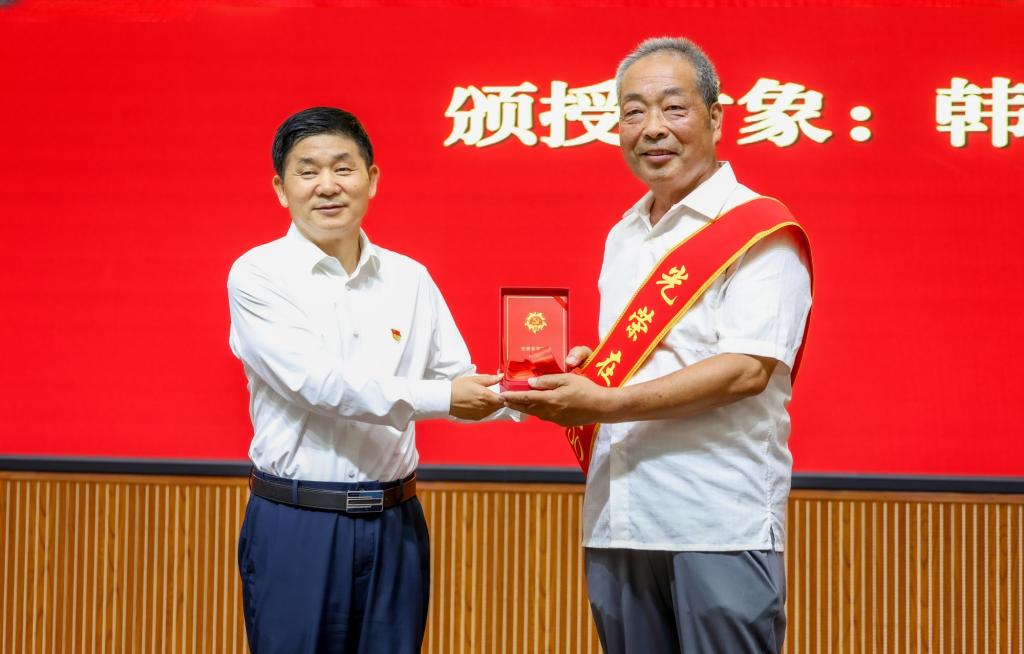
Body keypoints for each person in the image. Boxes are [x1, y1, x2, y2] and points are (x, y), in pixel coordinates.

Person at [503, 37, 812, 654]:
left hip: (715, 521)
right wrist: (594, 369)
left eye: (673, 108)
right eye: (633, 111)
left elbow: (746, 370)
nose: (652, 129)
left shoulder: (761, 230)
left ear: (715, 118)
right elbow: (655, 356)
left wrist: (605, 403)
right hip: (619, 517)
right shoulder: (624, 233)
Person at [227, 106, 509, 654]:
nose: (328, 186)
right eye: (308, 171)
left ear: (372, 179)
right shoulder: (258, 275)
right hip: (298, 522)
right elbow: (319, 384)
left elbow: (456, 378)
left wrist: (534, 387)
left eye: (343, 168)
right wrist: (446, 396)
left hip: (395, 522)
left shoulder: (410, 277)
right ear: (281, 188)